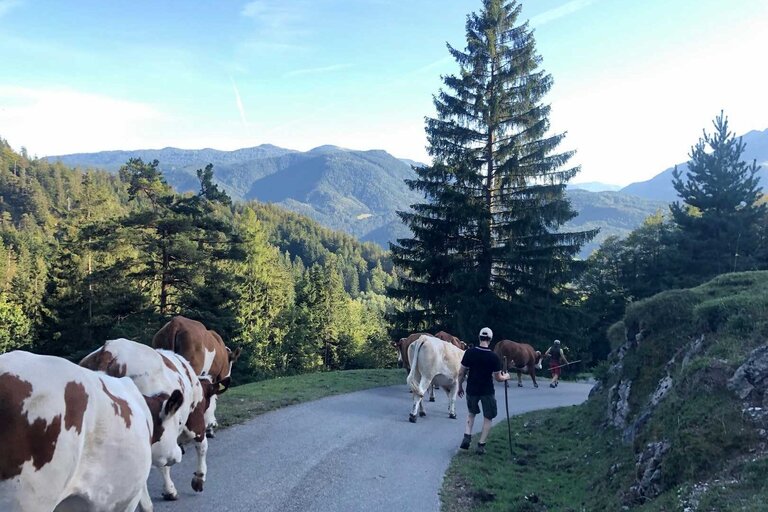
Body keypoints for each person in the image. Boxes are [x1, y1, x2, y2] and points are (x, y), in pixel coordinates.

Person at [457, 327, 511, 454]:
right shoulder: (493, 357)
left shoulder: (469, 353)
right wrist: (506, 377)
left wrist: (459, 386)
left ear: (479, 338)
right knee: (488, 417)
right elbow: (498, 378)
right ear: (490, 340)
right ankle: (481, 445)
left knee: (471, 413)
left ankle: (467, 436)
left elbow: (461, 372)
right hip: (487, 390)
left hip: (471, 388)